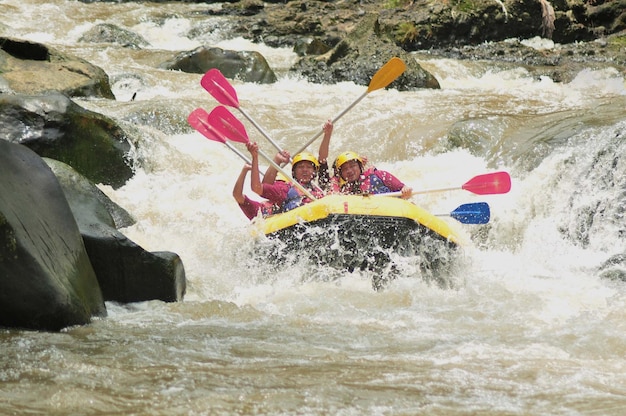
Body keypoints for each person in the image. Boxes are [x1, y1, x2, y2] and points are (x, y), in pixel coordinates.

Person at [247, 120, 334, 212]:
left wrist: (327, 135)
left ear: (314, 171)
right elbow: (257, 188)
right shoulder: (285, 189)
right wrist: (255, 158)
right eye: (300, 167)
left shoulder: (321, 187)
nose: (305, 170)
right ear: (294, 172)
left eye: (309, 167)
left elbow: (322, 160)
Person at [330, 151, 413, 198]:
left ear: (360, 167)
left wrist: (406, 191)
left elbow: (402, 188)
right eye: (345, 169)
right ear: (341, 174)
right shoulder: (345, 190)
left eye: (353, 166)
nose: (349, 171)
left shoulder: (380, 175)